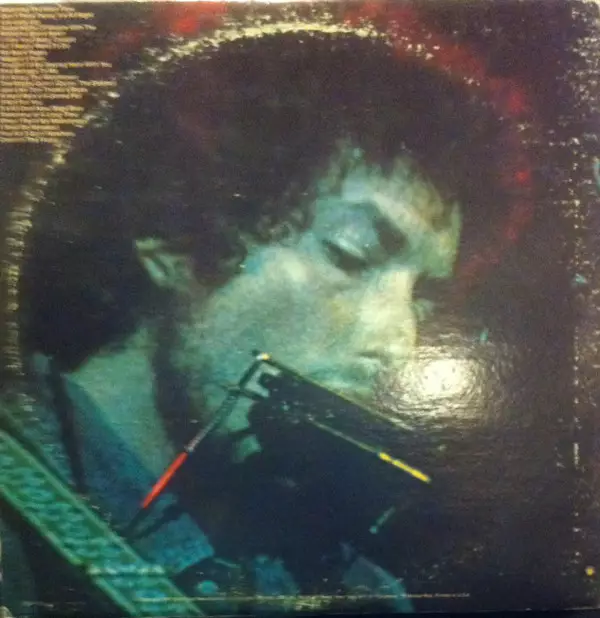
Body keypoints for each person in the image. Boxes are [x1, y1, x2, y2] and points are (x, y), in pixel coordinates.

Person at [3, 28, 507, 616]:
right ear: (175, 238)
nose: (400, 342)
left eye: (423, 302)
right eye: (350, 254)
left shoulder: (354, 591)